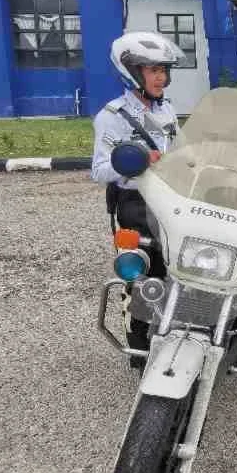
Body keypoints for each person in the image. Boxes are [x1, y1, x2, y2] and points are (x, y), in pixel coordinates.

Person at [91, 31, 185, 354]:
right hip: (134, 204)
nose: (161, 77)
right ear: (131, 71)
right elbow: (99, 169)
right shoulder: (112, 116)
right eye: (153, 70)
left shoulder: (167, 110)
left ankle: (175, 333)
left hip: (170, 201)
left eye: (163, 70)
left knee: (176, 268)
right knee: (143, 276)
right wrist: (138, 162)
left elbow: (179, 149)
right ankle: (140, 348)